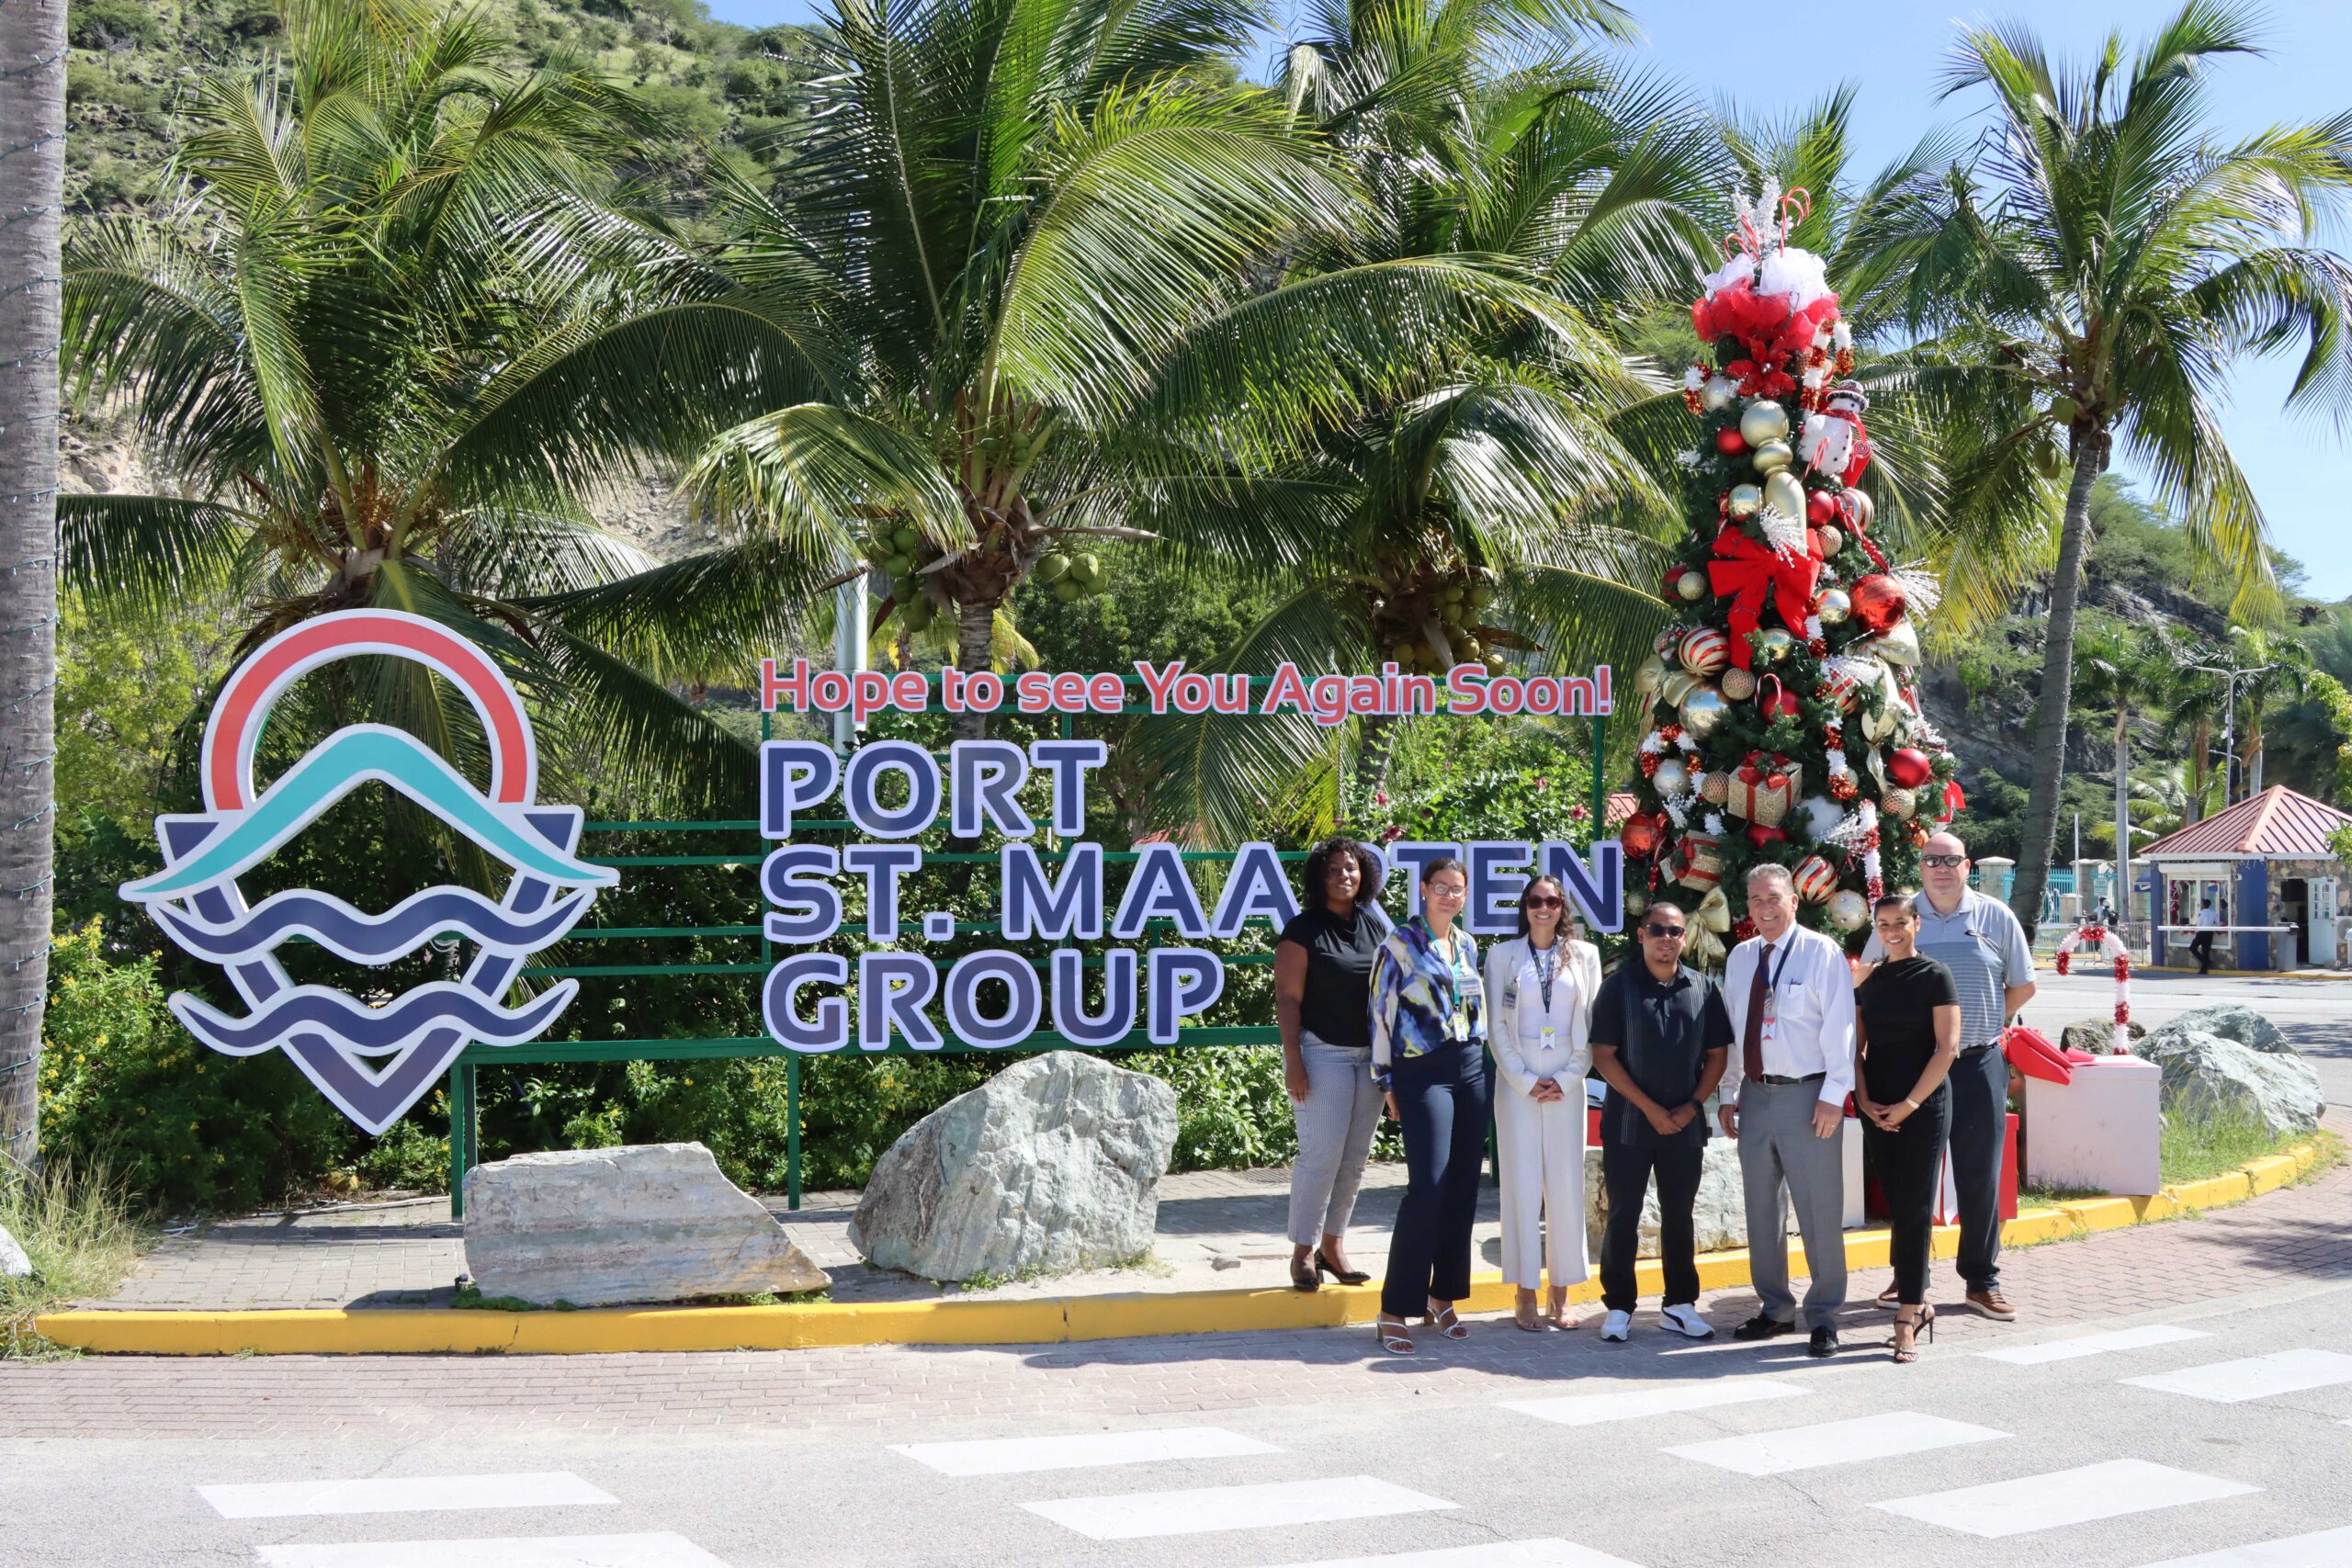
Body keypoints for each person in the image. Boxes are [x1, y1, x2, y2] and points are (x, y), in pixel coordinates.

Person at [1862, 831, 2037, 1322]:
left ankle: (1981, 1280)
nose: (1941, 868)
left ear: (1967, 865)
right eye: (1932, 860)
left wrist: (1981, 1021)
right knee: (1909, 1179)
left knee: (1979, 1174)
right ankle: (1909, 1276)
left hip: (1977, 1063)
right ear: (1920, 866)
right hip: (1910, 1071)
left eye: (1950, 860)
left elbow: (2023, 984)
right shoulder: (1899, 916)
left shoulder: (1995, 916)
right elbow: (1869, 980)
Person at [1719, 863, 1855, 1358]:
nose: (1765, 908)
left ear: (1794, 901)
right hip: (1756, 1096)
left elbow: (1841, 1026)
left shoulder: (1821, 952)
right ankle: (1775, 1308)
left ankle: (1824, 1315)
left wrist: (1834, 1095)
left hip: (1808, 1097)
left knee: (1819, 1210)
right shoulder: (1741, 958)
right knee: (1761, 1211)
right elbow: (1735, 1032)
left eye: (1774, 898)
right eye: (1756, 900)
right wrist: (1729, 1093)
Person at [1587, 897, 1732, 1344]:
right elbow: (1603, 1056)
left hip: (1685, 1124)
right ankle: (1619, 1307)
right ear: (1641, 935)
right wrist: (1650, 1109)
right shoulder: (1618, 988)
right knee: (1623, 1214)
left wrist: (1692, 1105)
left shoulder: (1703, 989)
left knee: (1680, 1215)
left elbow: (1718, 1055)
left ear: (1684, 938)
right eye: (1656, 929)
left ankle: (1679, 1305)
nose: (1665, 938)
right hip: (1629, 1124)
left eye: (1674, 931)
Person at [1370, 857, 1489, 1356]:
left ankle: (1442, 1297)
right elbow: (1381, 1013)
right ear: (1423, 889)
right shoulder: (1398, 944)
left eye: (1457, 889)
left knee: (1463, 1187)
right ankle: (1394, 1309)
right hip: (1423, 1071)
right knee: (1428, 1188)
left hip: (1471, 1066)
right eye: (1441, 887)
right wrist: (1386, 1082)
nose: (1449, 896)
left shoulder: (1467, 944)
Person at [1485, 874, 1602, 1331]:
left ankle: (1562, 1291)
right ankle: (1524, 1292)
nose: (1543, 908)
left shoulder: (1585, 956)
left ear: (1562, 907)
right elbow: (1496, 1026)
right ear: (1524, 906)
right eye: (1535, 900)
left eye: (1551, 901)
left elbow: (1591, 1026)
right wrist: (1525, 1080)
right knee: (1521, 1184)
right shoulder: (1502, 956)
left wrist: (1569, 1078)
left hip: (1567, 1082)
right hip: (1518, 1083)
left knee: (1565, 1186)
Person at [1276, 836, 1390, 1292]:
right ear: (1319, 877)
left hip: (1369, 1058)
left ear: (1364, 874)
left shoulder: (1374, 925)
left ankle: (1334, 1246)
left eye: (1351, 868)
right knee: (1321, 1156)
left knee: (1354, 1160)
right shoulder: (1302, 930)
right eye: (1333, 869)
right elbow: (1288, 999)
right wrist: (1294, 1061)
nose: (1344, 875)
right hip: (1321, 1052)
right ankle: (1303, 1251)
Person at [1853, 895, 1961, 1363]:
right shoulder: (1869, 979)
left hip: (1924, 1104)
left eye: (1900, 922)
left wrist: (1909, 1105)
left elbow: (1947, 1048)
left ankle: (1909, 1313)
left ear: (1917, 923)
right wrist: (1863, 1099)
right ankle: (1917, 1299)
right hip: (1877, 1104)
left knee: (1915, 1207)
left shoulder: (1935, 975)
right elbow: (1856, 1048)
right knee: (1898, 1205)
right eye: (1883, 924)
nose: (1892, 931)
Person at [2191, 898, 2219, 975]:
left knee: (2192, 948)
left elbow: (2199, 924)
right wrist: (2211, 926)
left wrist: (2196, 932)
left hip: (2202, 933)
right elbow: (2217, 923)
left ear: (2204, 905)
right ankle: (2204, 969)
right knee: (2205, 951)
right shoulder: (2213, 913)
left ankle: (2206, 962)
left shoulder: (2201, 913)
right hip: (2209, 933)